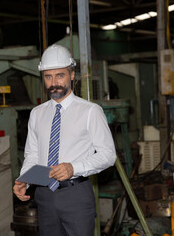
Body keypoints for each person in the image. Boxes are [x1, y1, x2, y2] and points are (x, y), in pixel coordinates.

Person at [13, 44, 116, 236]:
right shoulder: (37, 113)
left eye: (60, 75)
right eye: (48, 76)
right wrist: (24, 181)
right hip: (44, 195)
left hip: (76, 195)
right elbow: (32, 154)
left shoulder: (90, 111)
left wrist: (73, 168)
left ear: (72, 74)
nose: (54, 83)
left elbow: (108, 155)